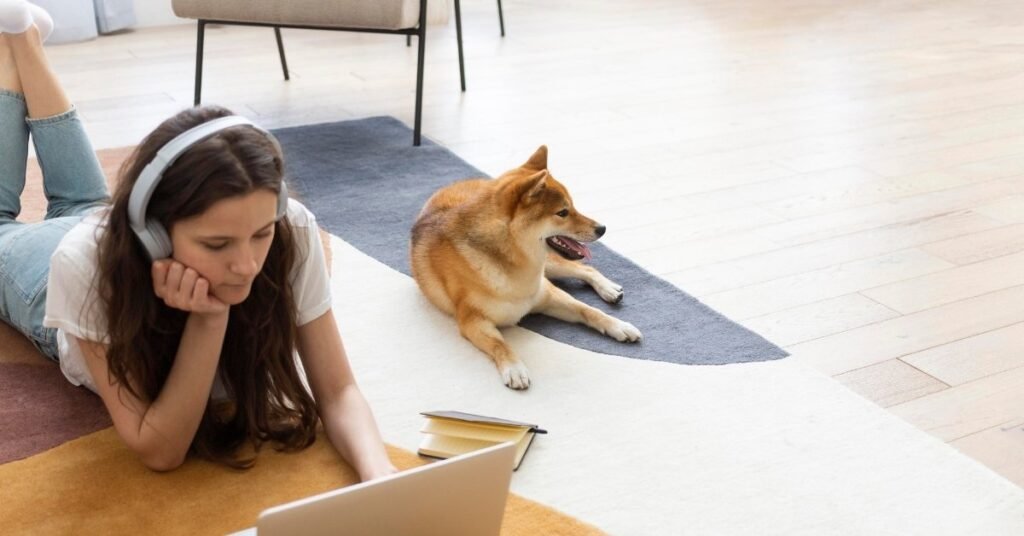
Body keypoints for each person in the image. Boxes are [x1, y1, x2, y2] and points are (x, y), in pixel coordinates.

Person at [0, 1, 397, 478]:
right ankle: (17, 41)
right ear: (154, 232)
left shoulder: (290, 228)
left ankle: (19, 33)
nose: (248, 264)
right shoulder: (83, 266)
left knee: (85, 201)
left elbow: (339, 392)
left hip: (102, 228)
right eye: (216, 245)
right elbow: (160, 450)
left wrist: (383, 478)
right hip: (49, 280)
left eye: (260, 234)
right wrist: (209, 319)